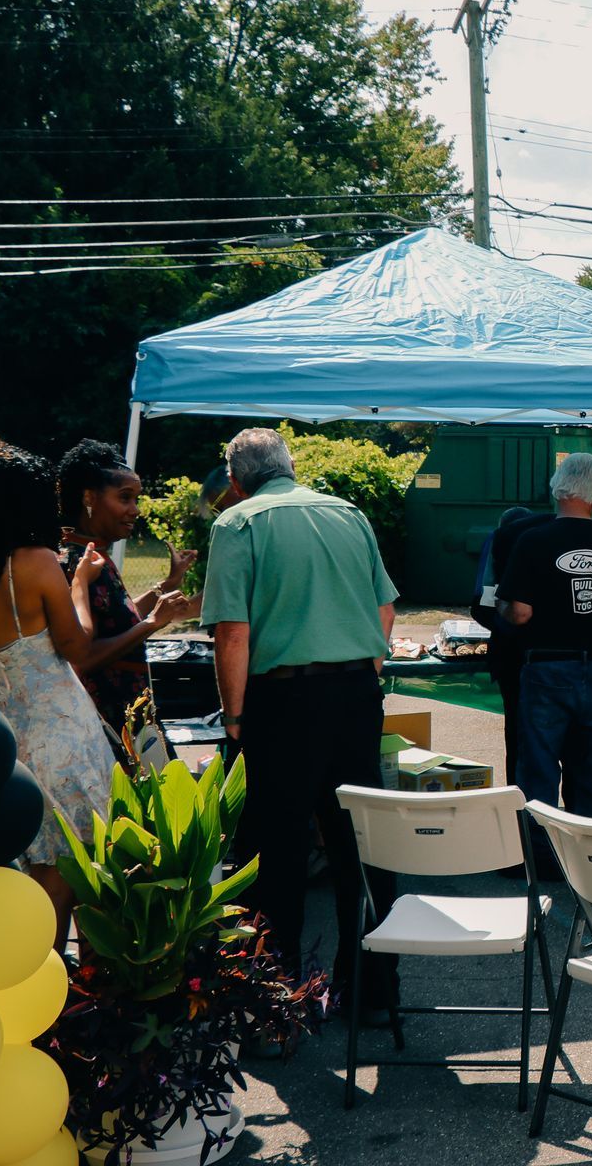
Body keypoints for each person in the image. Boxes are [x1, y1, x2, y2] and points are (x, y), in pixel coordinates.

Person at [198, 427, 401, 1013]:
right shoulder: (347, 513)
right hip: (355, 694)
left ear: (235, 480)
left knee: (273, 854)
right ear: (289, 465)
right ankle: (368, 988)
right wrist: (365, 665)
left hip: (281, 701)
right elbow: (385, 607)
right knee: (358, 843)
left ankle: (274, 995)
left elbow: (232, 632)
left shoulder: (237, 523)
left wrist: (234, 715)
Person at [0, 438, 120, 946]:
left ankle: (41, 992)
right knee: (77, 876)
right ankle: (79, 1004)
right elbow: (76, 647)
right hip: (60, 733)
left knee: (28, 874)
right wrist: (80, 582)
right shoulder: (38, 562)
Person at [497, 453, 592, 820]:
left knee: (539, 771)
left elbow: (521, 612)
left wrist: (502, 610)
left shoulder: (530, 540)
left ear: (559, 489)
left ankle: (541, 859)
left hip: (544, 668)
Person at [54, 439, 196, 739]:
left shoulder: (94, 555)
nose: (135, 510)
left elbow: (120, 620)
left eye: (136, 499)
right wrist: (153, 623)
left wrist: (166, 586)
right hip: (104, 720)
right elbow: (81, 656)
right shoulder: (75, 563)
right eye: (125, 498)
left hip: (127, 711)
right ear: (89, 498)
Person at [474, 504, 553, 785]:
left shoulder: (498, 540)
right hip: (559, 653)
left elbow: (481, 604)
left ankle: (518, 805)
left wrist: (507, 628)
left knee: (518, 735)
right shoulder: (549, 538)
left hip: (512, 656)